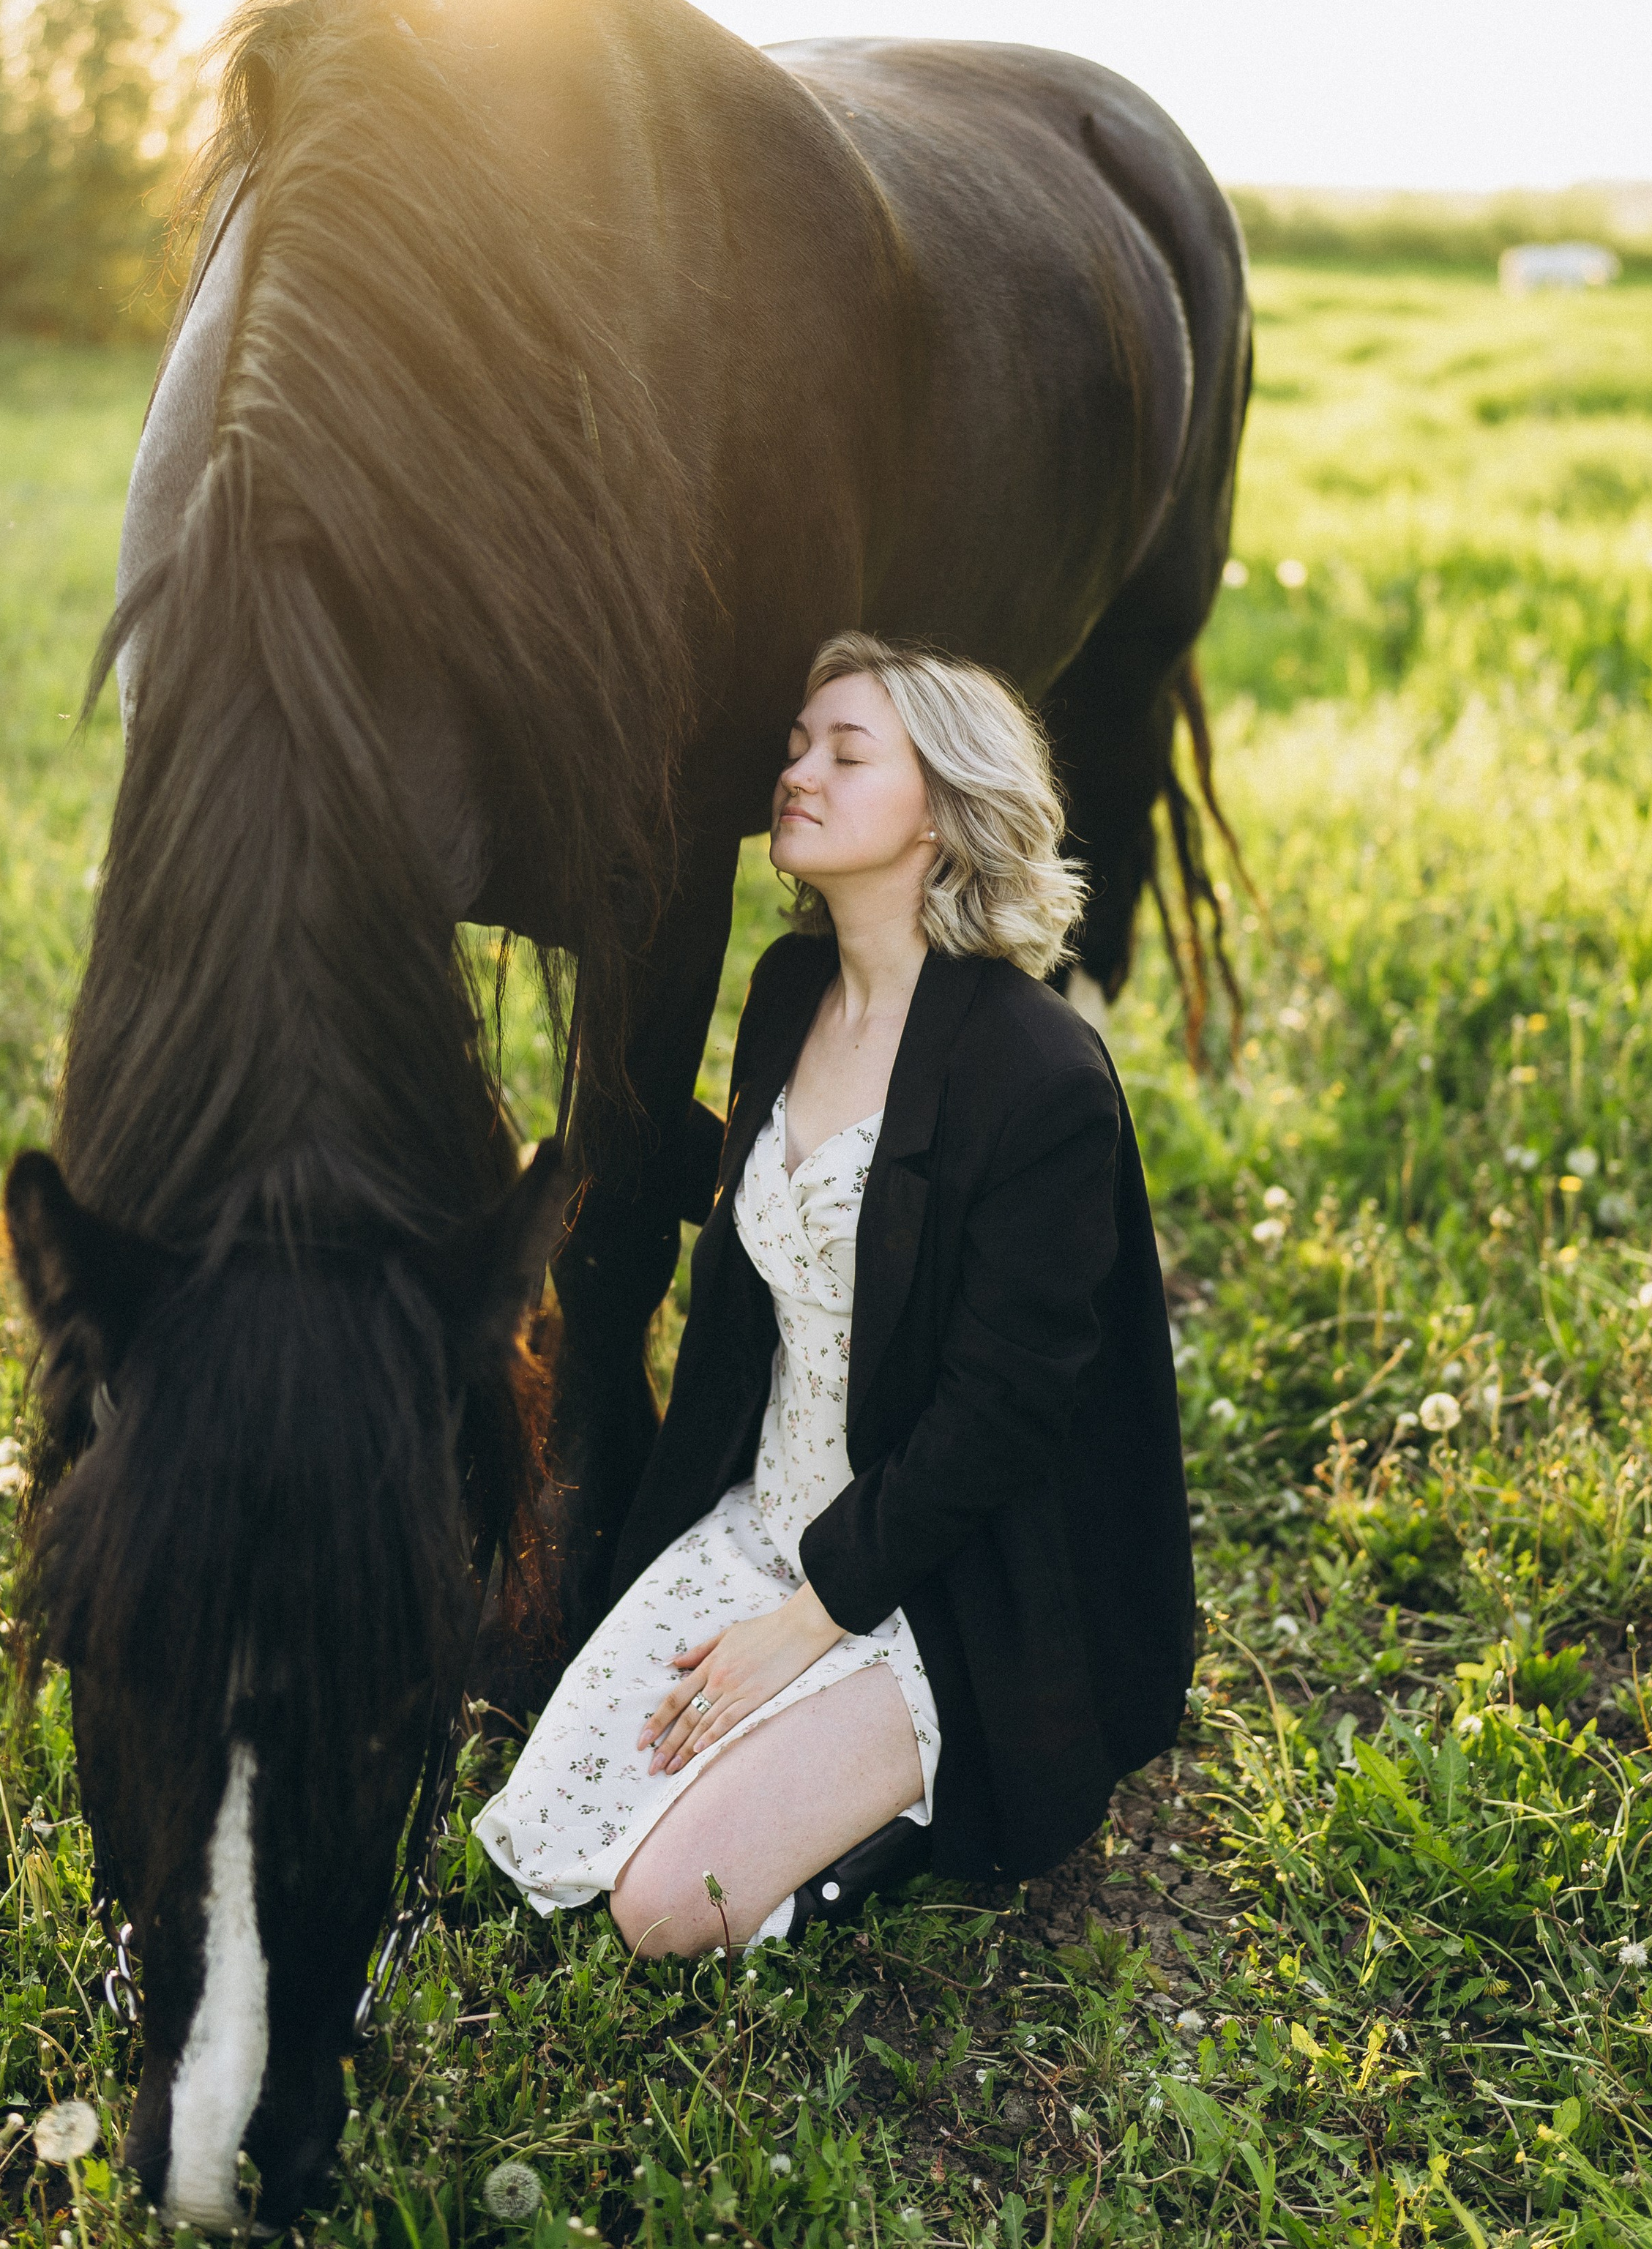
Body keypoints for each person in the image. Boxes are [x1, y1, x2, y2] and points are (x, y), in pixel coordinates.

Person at [474, 631, 1193, 1955]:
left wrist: (806, 1627)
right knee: (546, 1820)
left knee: (657, 1913)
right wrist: (558, 1145)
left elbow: (1000, 1419)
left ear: (945, 813)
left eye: (847, 753)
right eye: (797, 745)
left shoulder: (1042, 1078)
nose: (796, 770)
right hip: (767, 1517)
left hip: (939, 1575)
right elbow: (775, 1182)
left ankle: (928, 1787)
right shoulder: (790, 987)